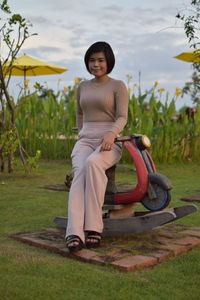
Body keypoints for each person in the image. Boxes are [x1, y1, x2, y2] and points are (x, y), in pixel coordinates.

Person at [65, 41, 128, 252]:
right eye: (92, 60)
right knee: (80, 170)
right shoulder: (82, 86)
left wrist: (111, 134)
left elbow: (122, 116)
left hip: (110, 141)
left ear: (108, 61)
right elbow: (80, 113)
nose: (96, 64)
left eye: (100, 60)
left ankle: (93, 228)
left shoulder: (118, 85)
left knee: (93, 163)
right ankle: (74, 231)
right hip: (85, 140)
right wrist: (81, 133)